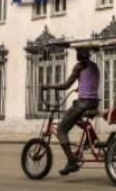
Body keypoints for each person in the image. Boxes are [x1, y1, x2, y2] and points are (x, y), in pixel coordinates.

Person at [42, 48, 100, 176]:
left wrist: (48, 86)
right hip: (94, 102)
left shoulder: (79, 66)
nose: (77, 54)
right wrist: (80, 88)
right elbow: (90, 81)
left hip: (84, 102)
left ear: (83, 54)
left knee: (61, 129)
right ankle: (90, 134)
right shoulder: (94, 66)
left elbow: (66, 85)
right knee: (74, 112)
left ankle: (71, 161)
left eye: (79, 52)